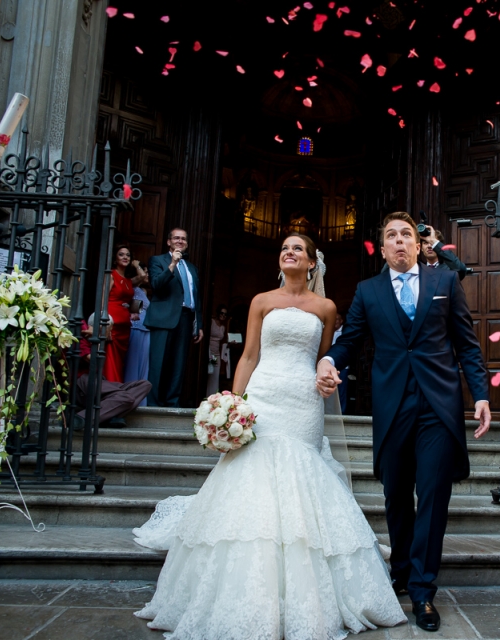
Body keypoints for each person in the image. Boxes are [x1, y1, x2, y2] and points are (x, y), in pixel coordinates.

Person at [133, 234, 407, 639]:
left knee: (302, 477)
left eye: (298, 249)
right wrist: (232, 402)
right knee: (252, 478)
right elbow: (248, 356)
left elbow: (325, 358)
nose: (289, 252)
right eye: (285, 248)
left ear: (312, 263)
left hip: (303, 401)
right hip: (264, 395)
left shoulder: (327, 308)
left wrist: (328, 377)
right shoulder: (262, 300)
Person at [316, 211, 491, 632]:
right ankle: (401, 570)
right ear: (383, 246)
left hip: (438, 404)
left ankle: (423, 591)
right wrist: (326, 360)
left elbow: (466, 344)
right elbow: (351, 338)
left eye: (405, 235)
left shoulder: (444, 283)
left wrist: (481, 395)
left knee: (432, 495)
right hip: (393, 403)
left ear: (418, 244)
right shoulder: (368, 290)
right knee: (396, 493)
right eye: (390, 235)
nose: (398, 241)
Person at [145, 229, 203, 407]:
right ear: (168, 242)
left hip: (185, 319)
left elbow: (196, 297)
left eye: (184, 238)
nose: (180, 241)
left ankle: (172, 402)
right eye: (176, 238)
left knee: (178, 365)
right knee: (158, 363)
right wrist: (171, 265)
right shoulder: (158, 260)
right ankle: (154, 405)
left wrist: (198, 324)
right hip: (163, 319)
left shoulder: (191, 267)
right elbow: (156, 284)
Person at [72, 318, 151, 429]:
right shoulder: (82, 337)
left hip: (99, 381)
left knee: (145, 385)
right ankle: (81, 419)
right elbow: (94, 359)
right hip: (83, 381)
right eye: (108, 330)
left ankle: (108, 416)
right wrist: (99, 339)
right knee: (125, 397)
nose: (109, 333)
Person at [102, 245, 135, 383]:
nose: (125, 257)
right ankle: (110, 389)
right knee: (111, 359)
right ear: (115, 259)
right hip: (112, 324)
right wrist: (105, 323)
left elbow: (143, 277)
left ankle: (117, 387)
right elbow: (103, 299)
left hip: (125, 327)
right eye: (121, 254)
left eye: (128, 255)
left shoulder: (128, 279)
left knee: (120, 361)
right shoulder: (111, 275)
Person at [124, 260, 151, 405]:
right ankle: (128, 398)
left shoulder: (143, 291)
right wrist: (136, 265)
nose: (147, 275)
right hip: (134, 328)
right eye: (145, 272)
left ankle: (140, 399)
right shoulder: (131, 286)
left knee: (143, 366)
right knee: (132, 364)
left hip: (145, 329)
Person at [205, 304, 229, 396]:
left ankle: (212, 396)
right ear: (218, 313)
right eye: (222, 313)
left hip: (216, 354)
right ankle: (206, 396)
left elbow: (223, 341)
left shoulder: (223, 327)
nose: (223, 315)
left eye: (225, 314)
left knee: (215, 376)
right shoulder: (211, 322)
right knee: (208, 374)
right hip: (209, 352)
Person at [331, 312, 349, 414]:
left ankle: (342, 412)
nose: (335, 321)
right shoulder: (329, 331)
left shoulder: (344, 332)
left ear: (341, 320)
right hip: (329, 365)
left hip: (342, 367)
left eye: (337, 319)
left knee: (341, 390)